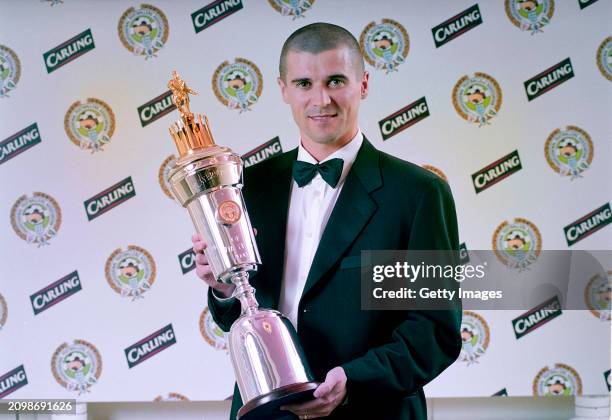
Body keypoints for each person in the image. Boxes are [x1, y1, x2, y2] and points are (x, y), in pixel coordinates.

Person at [192, 22, 461, 420]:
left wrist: (351, 382)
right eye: (304, 84)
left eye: (336, 81)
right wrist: (224, 288)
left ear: (363, 84)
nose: (321, 99)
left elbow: (433, 332)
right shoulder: (250, 187)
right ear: (283, 89)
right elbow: (241, 316)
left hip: (373, 411)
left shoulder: (419, 194)